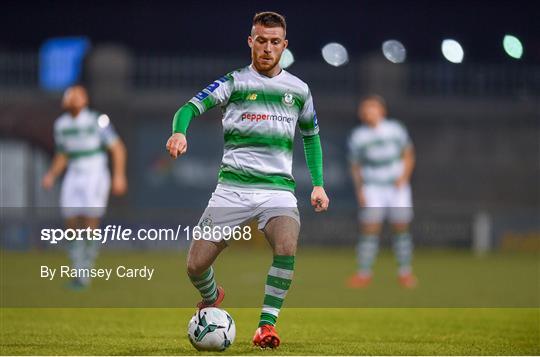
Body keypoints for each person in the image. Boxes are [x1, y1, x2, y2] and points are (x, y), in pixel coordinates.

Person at [165, 11, 329, 349]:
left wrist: (318, 183)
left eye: (274, 42)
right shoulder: (234, 83)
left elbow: (311, 136)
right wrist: (179, 133)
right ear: (250, 42)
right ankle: (213, 295)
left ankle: (266, 326)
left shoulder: (298, 90)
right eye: (261, 41)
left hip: (278, 190)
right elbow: (188, 108)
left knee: (286, 246)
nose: (267, 48)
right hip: (232, 189)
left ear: (284, 45)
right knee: (195, 265)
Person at [42, 85, 127, 288]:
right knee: (70, 221)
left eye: (78, 95)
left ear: (85, 99)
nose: (74, 98)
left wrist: (119, 176)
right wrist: (52, 175)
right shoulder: (61, 125)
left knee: (90, 220)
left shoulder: (97, 120)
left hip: (94, 174)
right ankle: (77, 267)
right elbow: (63, 154)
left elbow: (117, 148)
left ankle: (85, 271)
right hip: (73, 174)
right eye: (71, 95)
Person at [346, 95, 417, 289]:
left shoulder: (395, 129)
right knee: (369, 229)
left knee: (401, 228)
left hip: (396, 187)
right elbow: (355, 166)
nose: (368, 113)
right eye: (365, 109)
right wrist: (360, 190)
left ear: (382, 111)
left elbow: (408, 154)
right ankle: (364, 273)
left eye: (372, 108)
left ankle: (405, 272)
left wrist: (403, 178)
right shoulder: (358, 136)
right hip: (373, 187)